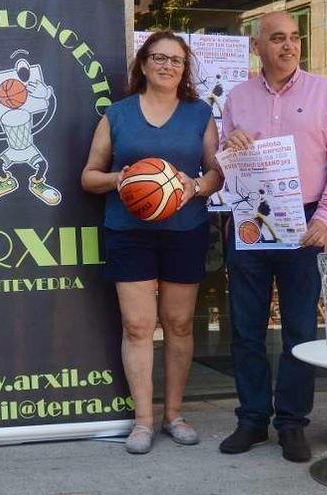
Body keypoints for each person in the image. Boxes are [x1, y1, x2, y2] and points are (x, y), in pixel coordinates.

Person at [217, 11, 327, 463]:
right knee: (246, 328)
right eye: (277, 38)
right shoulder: (236, 98)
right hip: (251, 221)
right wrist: (230, 147)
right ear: (257, 45)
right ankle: (253, 419)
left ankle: (292, 422)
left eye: (295, 38)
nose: (288, 46)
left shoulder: (326, 92)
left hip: (307, 218)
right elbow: (223, 164)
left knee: (299, 327)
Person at [81, 31, 223, 454]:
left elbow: (216, 174)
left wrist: (192, 187)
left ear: (184, 69)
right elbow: (89, 176)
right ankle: (142, 421)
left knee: (179, 325)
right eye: (158, 58)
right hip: (129, 233)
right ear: (143, 65)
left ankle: (174, 414)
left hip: (185, 231)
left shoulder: (200, 114)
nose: (167, 66)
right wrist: (120, 178)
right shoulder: (117, 114)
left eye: (176, 60)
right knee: (138, 326)